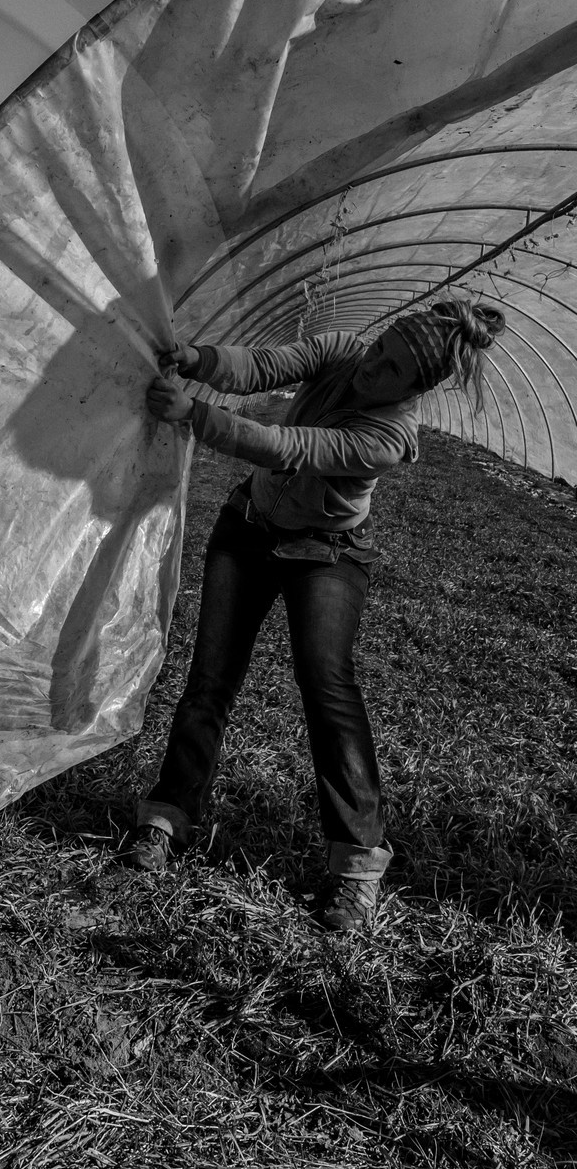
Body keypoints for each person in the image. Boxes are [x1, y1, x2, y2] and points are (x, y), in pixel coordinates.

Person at [129, 300, 505, 932]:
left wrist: (195, 414)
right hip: (249, 526)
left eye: (393, 368)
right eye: (382, 347)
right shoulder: (345, 351)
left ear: (416, 388)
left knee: (326, 682)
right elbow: (264, 366)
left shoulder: (390, 435)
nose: (373, 366)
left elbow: (290, 445)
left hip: (325, 552)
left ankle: (357, 865)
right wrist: (198, 360)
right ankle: (167, 818)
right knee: (210, 677)